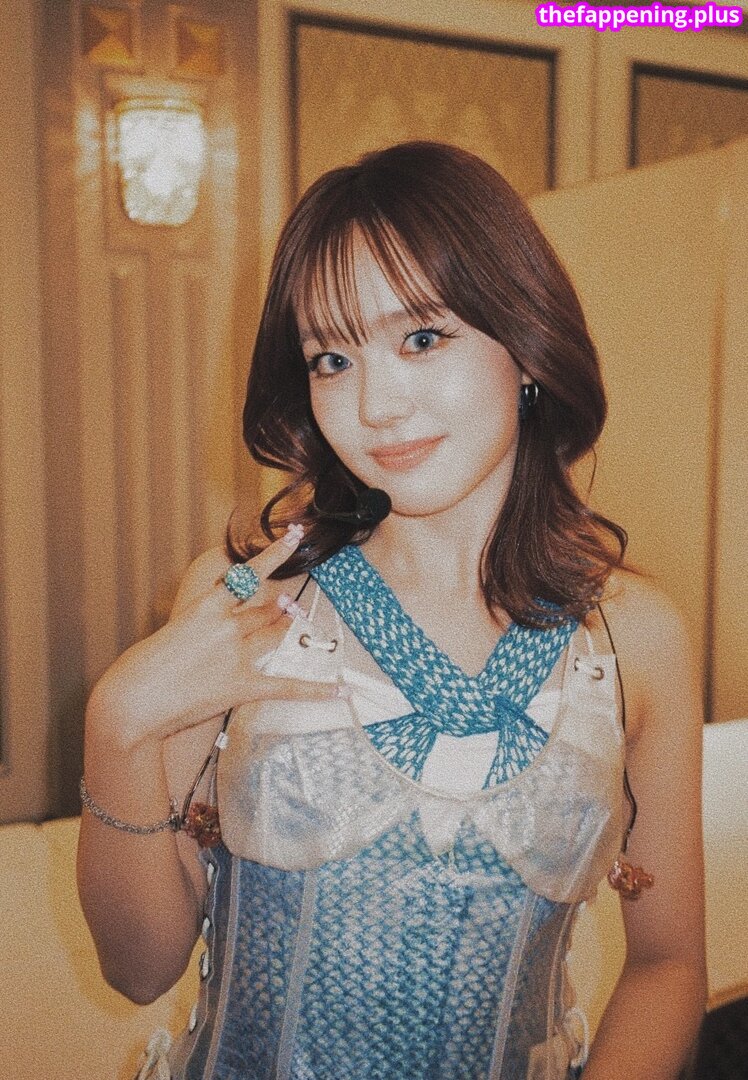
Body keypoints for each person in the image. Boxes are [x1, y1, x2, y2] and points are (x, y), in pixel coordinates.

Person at [77, 141, 706, 1080]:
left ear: (525, 341)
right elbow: (138, 969)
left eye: (421, 339)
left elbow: (668, 965)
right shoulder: (246, 598)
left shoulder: (632, 636)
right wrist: (118, 722)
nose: (374, 405)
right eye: (331, 358)